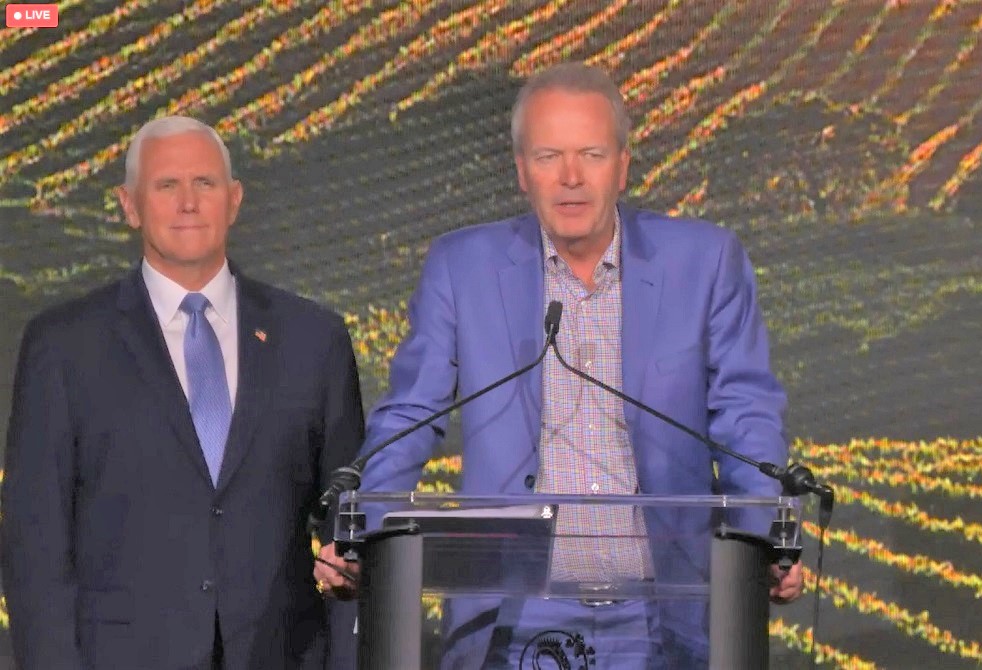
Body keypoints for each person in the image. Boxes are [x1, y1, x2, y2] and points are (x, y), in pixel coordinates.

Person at [316, 63, 802, 667]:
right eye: (549, 156)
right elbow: (411, 416)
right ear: (522, 171)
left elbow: (745, 416)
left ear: (623, 164)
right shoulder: (462, 267)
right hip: (514, 617)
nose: (571, 178)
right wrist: (362, 535)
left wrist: (764, 544)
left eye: (591, 154)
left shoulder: (704, 263)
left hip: (663, 615)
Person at [1, 116, 365, 669]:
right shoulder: (65, 346)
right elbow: (35, 549)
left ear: (235, 200)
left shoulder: (314, 340)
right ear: (128, 205)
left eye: (205, 184)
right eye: (166, 185)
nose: (188, 203)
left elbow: (350, 526)